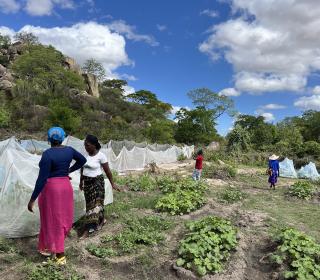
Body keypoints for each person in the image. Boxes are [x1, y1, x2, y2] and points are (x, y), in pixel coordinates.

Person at [27, 127, 87, 265]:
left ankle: (60, 256)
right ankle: (54, 250)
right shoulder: (69, 150)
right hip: (65, 187)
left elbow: (41, 179)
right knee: (61, 219)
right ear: (63, 138)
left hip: (52, 190)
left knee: (52, 220)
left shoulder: (47, 154)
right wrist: (68, 170)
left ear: (48, 140)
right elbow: (82, 160)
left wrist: (32, 200)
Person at [79, 135, 119, 238]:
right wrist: (81, 182)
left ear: (94, 145)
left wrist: (112, 183)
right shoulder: (86, 156)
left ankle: (89, 229)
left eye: (87, 145)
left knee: (95, 205)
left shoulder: (101, 156)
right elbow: (82, 170)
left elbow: (107, 171)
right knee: (90, 205)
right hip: (87, 184)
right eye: (85, 145)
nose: (85, 147)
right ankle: (101, 221)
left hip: (97, 183)